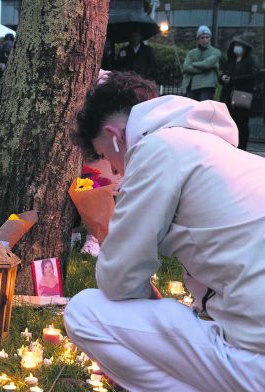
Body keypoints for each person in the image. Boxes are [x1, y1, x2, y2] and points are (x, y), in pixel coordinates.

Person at [64, 71, 265, 391]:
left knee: (84, 312)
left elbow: (117, 279)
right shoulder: (209, 146)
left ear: (115, 134)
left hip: (255, 360)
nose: (115, 171)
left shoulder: (156, 148)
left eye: (106, 157)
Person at [219, 35, 259, 151]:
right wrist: (223, 78)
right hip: (228, 95)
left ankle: (242, 147)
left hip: (242, 95)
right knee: (229, 121)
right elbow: (223, 74)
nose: (237, 48)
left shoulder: (250, 61)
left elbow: (252, 75)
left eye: (240, 46)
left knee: (242, 122)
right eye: (236, 45)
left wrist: (234, 79)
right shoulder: (231, 61)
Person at [181, 25, 220, 101]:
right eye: (202, 37)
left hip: (207, 86)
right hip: (191, 86)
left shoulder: (215, 52)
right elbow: (185, 66)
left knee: (204, 108)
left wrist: (193, 64)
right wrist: (202, 70)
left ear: (210, 38)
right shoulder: (192, 53)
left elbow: (206, 64)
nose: (205, 40)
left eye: (207, 37)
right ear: (198, 39)